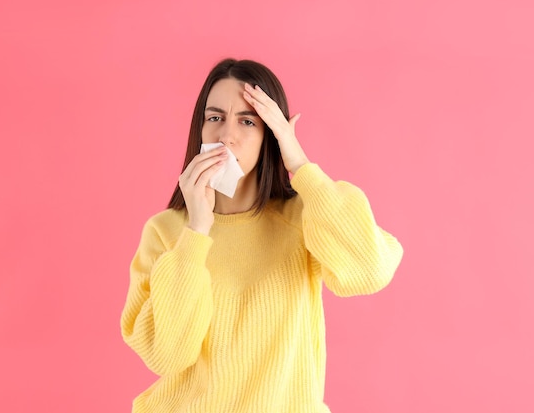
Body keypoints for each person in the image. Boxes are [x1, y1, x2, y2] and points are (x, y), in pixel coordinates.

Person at [120, 58, 404, 413]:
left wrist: (299, 163)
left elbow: (370, 269)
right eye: (215, 118)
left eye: (247, 121)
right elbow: (168, 354)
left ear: (270, 133)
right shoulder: (166, 231)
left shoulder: (303, 218)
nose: (226, 135)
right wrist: (197, 230)